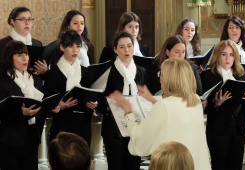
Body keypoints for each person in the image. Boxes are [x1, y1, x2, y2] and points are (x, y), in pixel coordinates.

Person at [109, 58, 211, 170]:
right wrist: (152, 99)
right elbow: (175, 113)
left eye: (161, 74)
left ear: (169, 79)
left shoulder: (164, 105)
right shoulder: (195, 100)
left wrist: (128, 110)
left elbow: (139, 141)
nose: (160, 79)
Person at [80, 31, 148, 170]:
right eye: (121, 47)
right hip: (113, 128)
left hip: (135, 127)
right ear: (115, 50)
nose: (126, 50)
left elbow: (145, 97)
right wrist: (98, 105)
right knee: (116, 165)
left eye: (129, 46)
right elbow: (99, 97)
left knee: (134, 165)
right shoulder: (108, 71)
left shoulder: (141, 71)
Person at [0, 41, 59, 170]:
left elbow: (41, 105)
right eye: (19, 55)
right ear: (10, 57)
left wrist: (52, 108)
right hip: (11, 140)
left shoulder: (35, 79)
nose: (25, 58)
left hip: (32, 138)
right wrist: (21, 113)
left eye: (26, 54)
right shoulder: (3, 81)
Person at [200, 40, 245, 170]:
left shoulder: (240, 76)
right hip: (218, 128)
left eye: (231, 54)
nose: (228, 58)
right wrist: (216, 104)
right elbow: (203, 107)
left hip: (238, 127)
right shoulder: (207, 76)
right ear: (217, 56)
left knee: (236, 165)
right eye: (224, 54)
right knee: (219, 165)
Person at [44, 30, 97, 146]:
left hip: (83, 126)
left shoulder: (86, 72)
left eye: (78, 46)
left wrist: (93, 104)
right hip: (62, 127)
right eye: (70, 46)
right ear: (62, 47)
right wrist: (59, 106)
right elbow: (46, 103)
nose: (75, 50)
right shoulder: (52, 74)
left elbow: (91, 94)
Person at [0, 6, 47, 75]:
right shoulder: (3, 44)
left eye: (29, 19)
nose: (27, 23)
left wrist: (44, 71)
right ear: (13, 22)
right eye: (22, 19)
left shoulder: (37, 44)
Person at [207, 16, 245, 80]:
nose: (234, 30)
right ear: (227, 31)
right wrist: (242, 77)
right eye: (230, 27)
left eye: (237, 27)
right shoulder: (221, 48)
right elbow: (214, 69)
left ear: (241, 30)